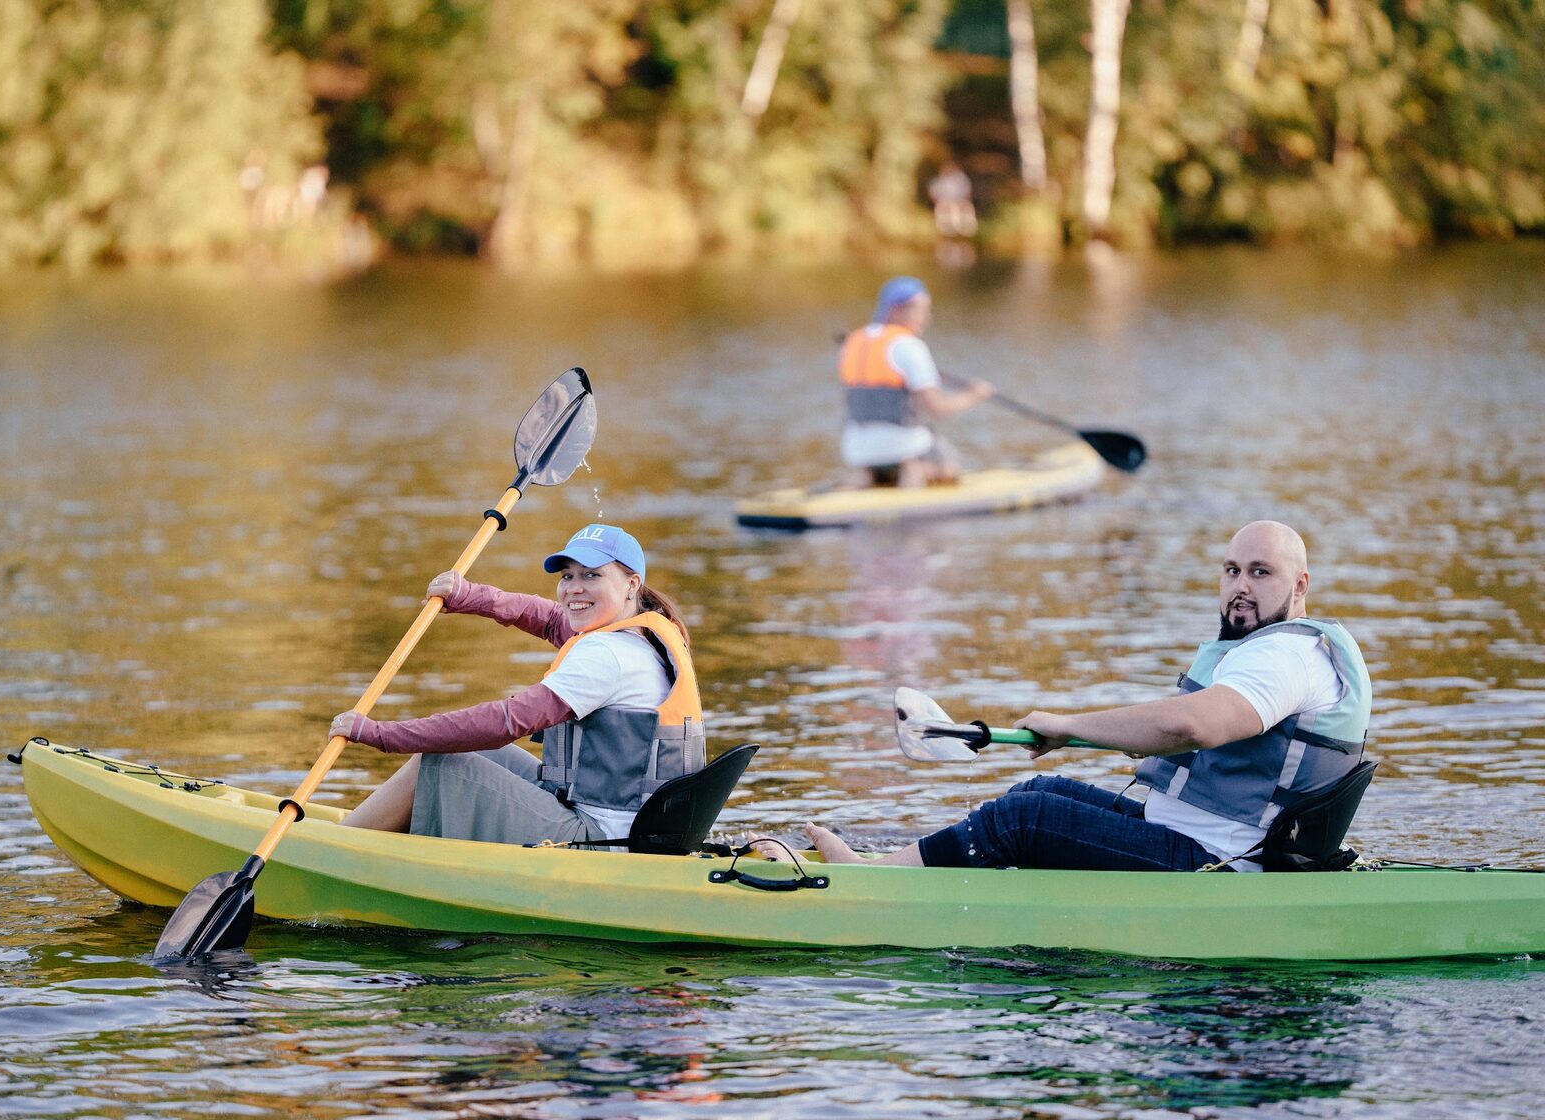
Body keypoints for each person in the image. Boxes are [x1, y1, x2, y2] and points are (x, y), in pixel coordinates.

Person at [789, 521, 1373, 872]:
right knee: (1042, 789)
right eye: (1231, 570)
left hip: (1216, 861)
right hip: (1196, 834)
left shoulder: (1287, 655)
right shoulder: (1272, 650)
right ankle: (899, 869)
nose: (1240, 586)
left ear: (1300, 587)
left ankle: (873, 883)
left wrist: (1070, 725)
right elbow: (1192, 742)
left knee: (1028, 814)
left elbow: (1197, 727)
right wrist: (1092, 733)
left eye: (1260, 573)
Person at [332, 524, 706, 847]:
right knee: (461, 756)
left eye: (591, 575)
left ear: (631, 584)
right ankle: (366, 836)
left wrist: (382, 735)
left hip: (601, 839)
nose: (573, 588)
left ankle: (337, 851)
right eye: (567, 576)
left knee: (437, 766)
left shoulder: (607, 656)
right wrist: (472, 597)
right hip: (626, 823)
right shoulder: (645, 632)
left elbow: (505, 723)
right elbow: (547, 619)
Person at [838, 276, 994, 488]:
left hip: (855, 448)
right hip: (902, 446)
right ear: (896, 310)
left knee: (889, 444)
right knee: (948, 465)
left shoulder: (853, 342)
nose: (927, 318)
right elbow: (938, 409)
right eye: (921, 310)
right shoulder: (909, 346)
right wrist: (975, 395)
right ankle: (912, 473)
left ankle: (871, 476)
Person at [927, 161, 978, 239]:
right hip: (944, 202)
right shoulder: (939, 180)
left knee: (964, 208)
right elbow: (932, 192)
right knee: (946, 208)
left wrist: (964, 200)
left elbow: (968, 191)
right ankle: (947, 231)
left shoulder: (961, 178)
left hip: (960, 200)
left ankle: (967, 230)